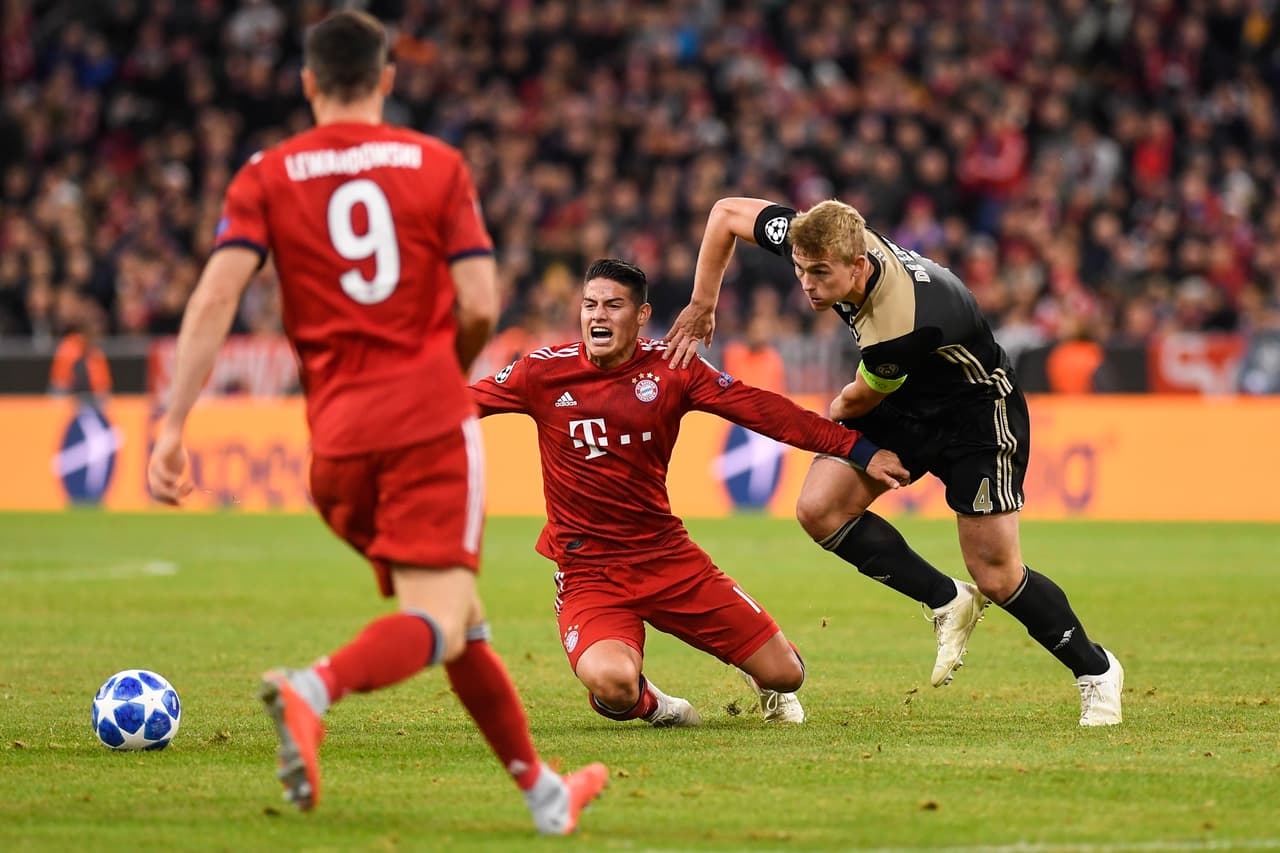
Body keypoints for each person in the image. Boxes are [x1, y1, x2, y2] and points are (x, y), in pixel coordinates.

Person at [145, 10, 607, 832]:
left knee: (461, 621)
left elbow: (216, 294)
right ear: (388, 78)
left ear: (309, 83)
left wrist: (174, 425)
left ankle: (544, 794)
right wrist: (442, 364)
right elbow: (478, 303)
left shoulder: (265, 173)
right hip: (426, 426)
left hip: (334, 443)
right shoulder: (436, 165)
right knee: (435, 618)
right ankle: (311, 688)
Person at [664, 198, 1124, 727]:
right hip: (907, 401)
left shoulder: (900, 323)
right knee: (820, 509)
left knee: (996, 574)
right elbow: (724, 214)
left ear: (857, 265)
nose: (807, 284)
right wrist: (703, 303)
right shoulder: (822, 235)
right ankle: (946, 599)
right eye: (799, 270)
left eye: (820, 273)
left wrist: (831, 421)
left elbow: (852, 403)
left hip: (976, 415)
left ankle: (1096, 670)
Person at [470, 258, 910, 728]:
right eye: (590, 305)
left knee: (788, 674)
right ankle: (656, 704)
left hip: (667, 559)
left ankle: (766, 684)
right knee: (613, 686)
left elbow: (764, 411)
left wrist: (857, 449)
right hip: (589, 572)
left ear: (641, 316)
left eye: (613, 305)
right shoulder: (540, 372)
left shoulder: (673, 369)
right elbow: (457, 405)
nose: (598, 316)